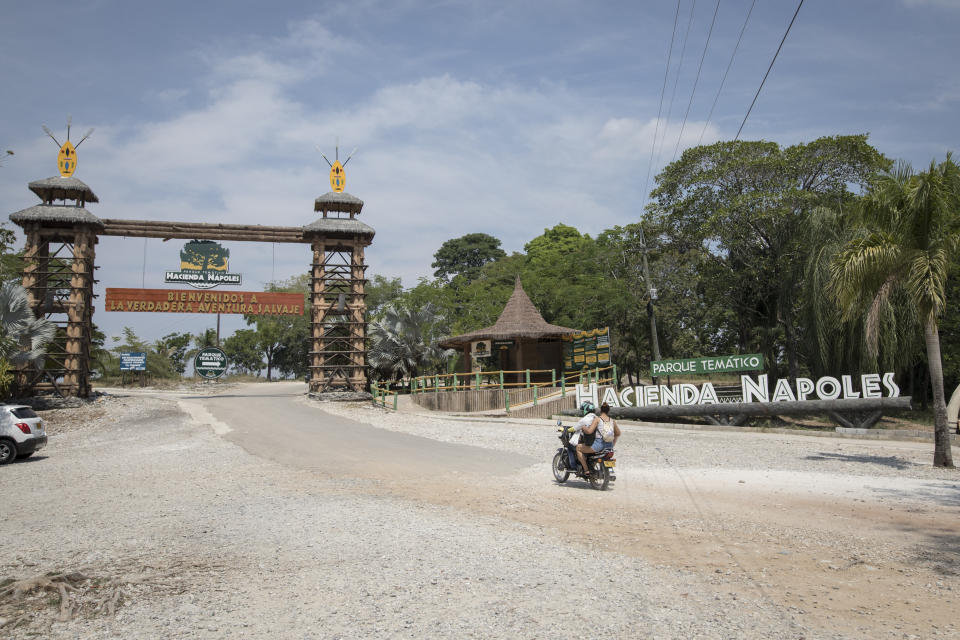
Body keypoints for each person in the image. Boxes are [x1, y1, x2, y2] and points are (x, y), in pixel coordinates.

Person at [576, 402, 620, 476]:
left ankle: (586, 470)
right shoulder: (612, 421)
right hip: (609, 446)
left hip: (599, 445)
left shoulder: (597, 419)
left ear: (600, 410)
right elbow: (618, 434)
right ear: (608, 411)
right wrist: (612, 444)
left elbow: (589, 431)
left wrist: (583, 427)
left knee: (578, 448)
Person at [569, 401, 596, 467]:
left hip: (591, 444)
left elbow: (574, 429)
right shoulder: (598, 419)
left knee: (578, 448)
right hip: (601, 444)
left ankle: (586, 470)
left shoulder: (585, 419)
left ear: (586, 410)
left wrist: (567, 430)